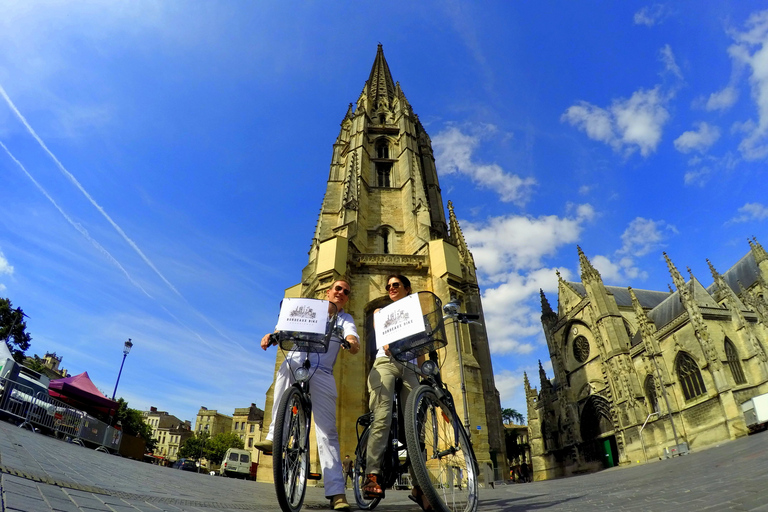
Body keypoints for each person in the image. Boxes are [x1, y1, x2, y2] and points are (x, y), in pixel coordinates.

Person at [255, 279, 360, 511]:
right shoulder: (310, 308)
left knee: (327, 431)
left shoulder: (345, 319)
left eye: (346, 291)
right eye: (337, 289)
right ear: (328, 291)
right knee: (284, 372)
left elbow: (353, 338)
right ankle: (275, 436)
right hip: (297, 361)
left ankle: (336, 494)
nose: (341, 293)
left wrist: (351, 342)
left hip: (322, 371)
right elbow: (285, 326)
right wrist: (271, 335)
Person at [362, 274, 430, 511]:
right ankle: (372, 474)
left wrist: (427, 373)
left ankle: (420, 485)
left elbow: (421, 348)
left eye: (396, 285)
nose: (391, 288)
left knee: (414, 426)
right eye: (388, 286)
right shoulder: (380, 312)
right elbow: (381, 333)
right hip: (386, 362)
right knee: (382, 416)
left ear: (407, 288)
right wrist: (390, 343)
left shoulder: (417, 314)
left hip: (410, 366)